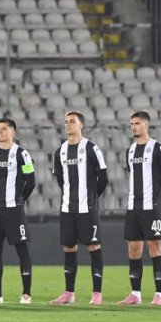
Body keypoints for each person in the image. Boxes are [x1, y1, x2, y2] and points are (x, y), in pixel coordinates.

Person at [50, 111, 109, 305]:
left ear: (81, 125)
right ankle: (69, 293)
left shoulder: (91, 149)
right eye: (66, 121)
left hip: (87, 208)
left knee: (93, 246)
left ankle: (97, 293)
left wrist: (91, 197)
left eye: (72, 121)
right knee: (69, 247)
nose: (68, 124)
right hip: (68, 208)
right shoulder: (60, 151)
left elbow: (103, 178)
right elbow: (60, 180)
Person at [118, 110, 161, 306]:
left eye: (137, 123)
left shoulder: (158, 148)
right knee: (133, 248)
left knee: (155, 247)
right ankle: (135, 294)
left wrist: (159, 200)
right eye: (132, 124)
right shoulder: (130, 151)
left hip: (152, 207)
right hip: (133, 207)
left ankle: (159, 294)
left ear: (146, 125)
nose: (134, 127)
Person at [0, 117, 36, 304]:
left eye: (4, 129)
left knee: (22, 250)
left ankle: (26, 294)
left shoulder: (22, 154)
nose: (0, 132)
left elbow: (31, 181)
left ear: (13, 132)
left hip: (14, 211)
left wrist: (20, 199)